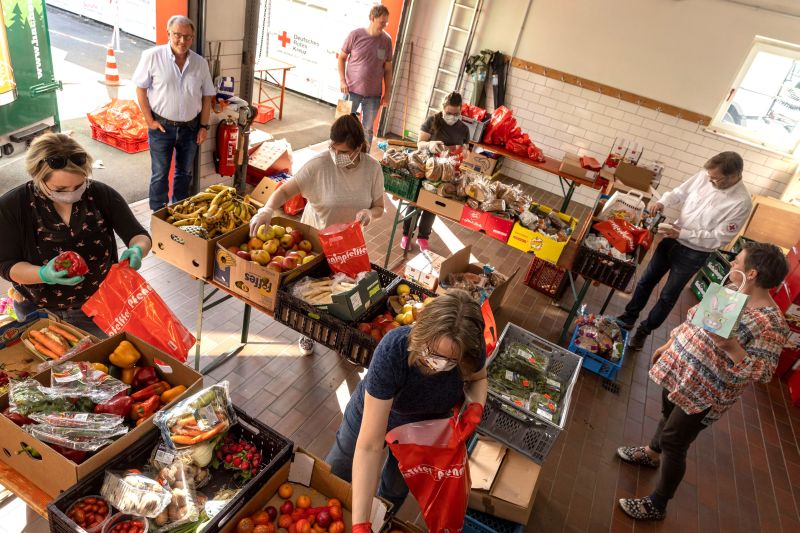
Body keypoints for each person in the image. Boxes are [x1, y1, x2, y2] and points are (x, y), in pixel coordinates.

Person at [617, 242, 789, 521]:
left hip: (708, 392)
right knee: (666, 413)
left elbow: (763, 372)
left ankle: (658, 504)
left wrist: (732, 346)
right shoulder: (730, 291)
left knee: (675, 441)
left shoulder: (772, 323)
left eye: (738, 262)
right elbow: (694, 318)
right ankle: (651, 453)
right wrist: (672, 342)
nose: (732, 264)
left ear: (753, 273)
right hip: (681, 369)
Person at [324, 290, 488, 530]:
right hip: (375, 411)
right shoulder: (394, 350)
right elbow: (369, 446)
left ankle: (380, 522)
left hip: (421, 430)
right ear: (421, 332)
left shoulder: (470, 350)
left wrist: (475, 407)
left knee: (394, 488)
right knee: (339, 466)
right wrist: (360, 524)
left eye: (450, 361)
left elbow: (479, 378)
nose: (437, 365)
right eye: (431, 354)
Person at [249, 114, 385, 355]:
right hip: (316, 243)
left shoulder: (372, 169)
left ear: (358, 148)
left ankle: (345, 342)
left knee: (345, 294)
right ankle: (308, 331)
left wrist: (369, 214)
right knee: (311, 294)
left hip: (349, 247)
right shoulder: (318, 165)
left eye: (342, 151)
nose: (336, 154)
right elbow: (284, 191)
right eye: (333, 147)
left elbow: (379, 207)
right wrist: (267, 209)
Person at [0, 133, 152, 337]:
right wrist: (43, 274)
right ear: (37, 176)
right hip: (41, 312)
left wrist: (137, 249)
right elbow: (6, 265)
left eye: (79, 185)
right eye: (60, 189)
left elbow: (138, 234)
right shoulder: (12, 206)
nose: (71, 193)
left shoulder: (100, 194)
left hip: (101, 306)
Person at [617, 151, 752, 351]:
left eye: (717, 179)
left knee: (668, 296)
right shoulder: (705, 176)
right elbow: (679, 192)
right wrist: (663, 201)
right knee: (646, 281)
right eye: (710, 177)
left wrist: (684, 233)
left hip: (694, 253)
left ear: (734, 176)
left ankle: (644, 332)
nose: (711, 181)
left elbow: (720, 237)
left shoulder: (742, 202)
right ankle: (627, 319)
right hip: (671, 240)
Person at [133, 15, 216, 212]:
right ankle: (158, 212)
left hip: (191, 128)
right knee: (160, 173)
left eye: (188, 37)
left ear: (192, 38)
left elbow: (206, 98)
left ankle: (180, 210)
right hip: (161, 127)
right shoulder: (152, 56)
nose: (182, 41)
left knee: (184, 173)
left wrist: (203, 127)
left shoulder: (200, 63)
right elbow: (140, 89)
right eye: (177, 35)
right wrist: (149, 121)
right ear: (168, 33)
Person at [401, 91, 470, 252]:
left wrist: (464, 152)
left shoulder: (463, 129)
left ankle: (423, 237)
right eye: (448, 113)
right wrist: (430, 145)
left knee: (433, 206)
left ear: (460, 111)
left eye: (456, 113)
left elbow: (466, 149)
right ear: (443, 108)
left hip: (446, 173)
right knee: (416, 202)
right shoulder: (432, 121)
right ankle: (406, 235)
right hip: (425, 168)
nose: (452, 116)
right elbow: (419, 144)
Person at [338, 4, 393, 145]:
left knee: (367, 129)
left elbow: (387, 70)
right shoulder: (355, 35)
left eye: (386, 22)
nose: (384, 25)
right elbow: (341, 58)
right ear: (372, 18)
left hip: (373, 95)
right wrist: (342, 80)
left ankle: (364, 159)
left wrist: (387, 93)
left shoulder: (387, 41)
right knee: (341, 124)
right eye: (382, 22)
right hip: (350, 90)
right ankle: (337, 151)